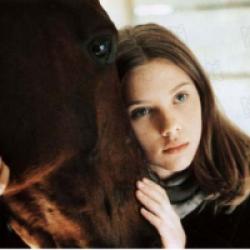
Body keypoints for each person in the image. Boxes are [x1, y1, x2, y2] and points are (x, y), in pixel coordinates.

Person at [116, 23, 250, 248]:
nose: (170, 126)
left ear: (202, 94)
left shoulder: (245, 186)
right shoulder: (91, 210)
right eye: (142, 111)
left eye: (180, 97)